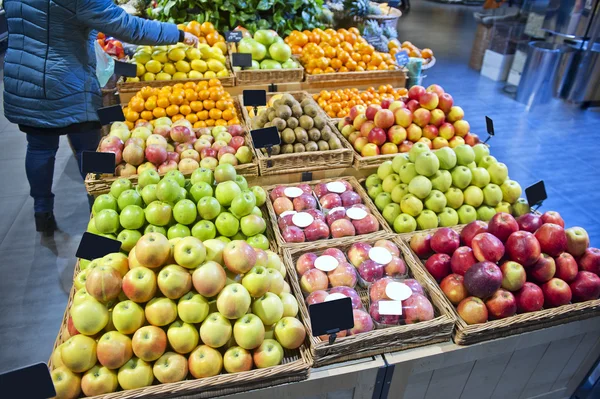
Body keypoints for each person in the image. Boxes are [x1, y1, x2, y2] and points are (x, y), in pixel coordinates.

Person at [3, 0, 198, 234]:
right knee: (93, 152)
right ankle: (100, 211)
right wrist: (176, 33)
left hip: (24, 76)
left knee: (39, 147)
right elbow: (127, 26)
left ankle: (42, 212)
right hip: (67, 80)